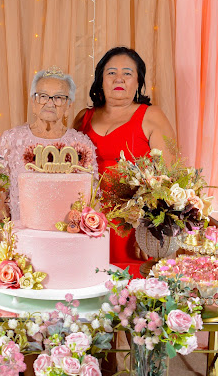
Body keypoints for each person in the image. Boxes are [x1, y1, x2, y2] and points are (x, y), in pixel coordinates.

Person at [74, 46, 176, 277]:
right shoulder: (83, 117)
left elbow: (170, 178)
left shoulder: (151, 115)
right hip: (89, 222)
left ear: (138, 81)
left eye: (127, 73)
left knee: (131, 289)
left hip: (134, 226)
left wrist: (150, 231)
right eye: (111, 72)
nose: (118, 78)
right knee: (89, 284)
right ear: (100, 80)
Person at [0, 67, 97, 222]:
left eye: (59, 98)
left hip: (67, 231)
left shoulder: (81, 144)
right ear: (33, 102)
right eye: (43, 96)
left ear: (68, 106)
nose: (50, 103)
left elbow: (93, 195)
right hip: (21, 231)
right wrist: (5, 232)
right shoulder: (11, 139)